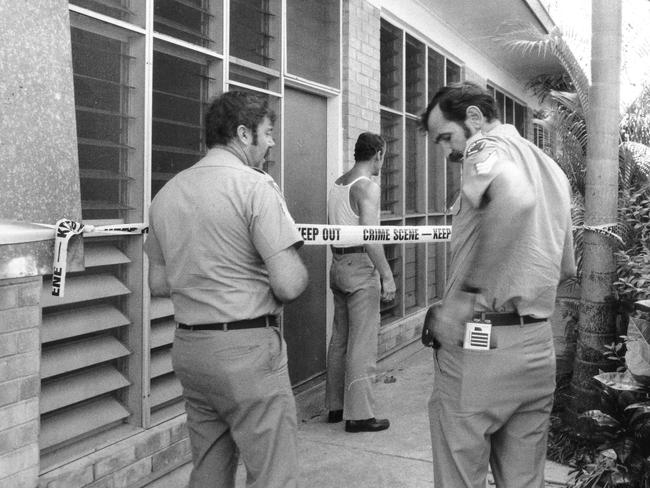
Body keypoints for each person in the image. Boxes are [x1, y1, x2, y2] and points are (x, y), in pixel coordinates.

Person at [144, 91, 308, 488]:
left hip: (190, 351)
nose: (271, 143)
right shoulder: (256, 188)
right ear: (242, 133)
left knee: (210, 469)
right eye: (267, 133)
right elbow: (288, 283)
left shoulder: (166, 195)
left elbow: (158, 283)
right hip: (247, 351)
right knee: (273, 472)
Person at [420, 82, 575, 488]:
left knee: (459, 474)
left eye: (445, 137)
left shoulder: (483, 148)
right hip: (536, 347)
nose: (446, 151)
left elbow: (513, 198)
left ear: (474, 118)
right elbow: (567, 266)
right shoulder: (550, 169)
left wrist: (465, 296)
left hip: (480, 343)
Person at [324, 132, 397, 433]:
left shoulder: (338, 184)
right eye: (384, 156)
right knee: (363, 342)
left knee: (340, 338)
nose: (383, 162)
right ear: (378, 154)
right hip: (359, 266)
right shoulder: (367, 187)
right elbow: (371, 236)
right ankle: (359, 415)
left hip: (338, 265)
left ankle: (335, 406)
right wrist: (386, 274)